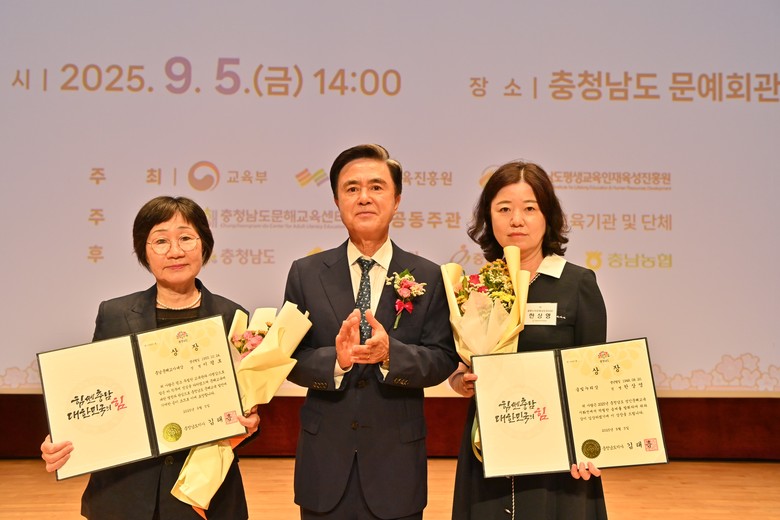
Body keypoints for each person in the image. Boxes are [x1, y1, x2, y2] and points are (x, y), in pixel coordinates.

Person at [40, 196, 260, 520]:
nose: (175, 251)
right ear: (144, 251)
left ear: (204, 244)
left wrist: (250, 425)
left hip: (203, 492)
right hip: (125, 491)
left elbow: (246, 403)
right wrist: (63, 436)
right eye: (160, 241)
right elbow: (96, 391)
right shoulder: (114, 314)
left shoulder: (232, 317)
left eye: (186, 238)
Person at [284, 144, 459, 520]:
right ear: (337, 201)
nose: (364, 197)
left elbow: (443, 358)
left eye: (376, 187)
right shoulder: (306, 273)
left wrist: (391, 355)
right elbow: (289, 358)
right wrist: (336, 361)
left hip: (396, 463)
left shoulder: (429, 275)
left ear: (396, 200)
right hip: (324, 464)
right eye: (352, 188)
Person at [448, 161, 609, 520]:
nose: (516, 220)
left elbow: (595, 376)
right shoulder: (477, 288)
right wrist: (462, 381)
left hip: (559, 455)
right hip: (489, 446)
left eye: (530, 209)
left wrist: (592, 445)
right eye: (504, 209)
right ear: (489, 218)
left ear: (547, 216)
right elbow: (460, 369)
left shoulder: (577, 284)